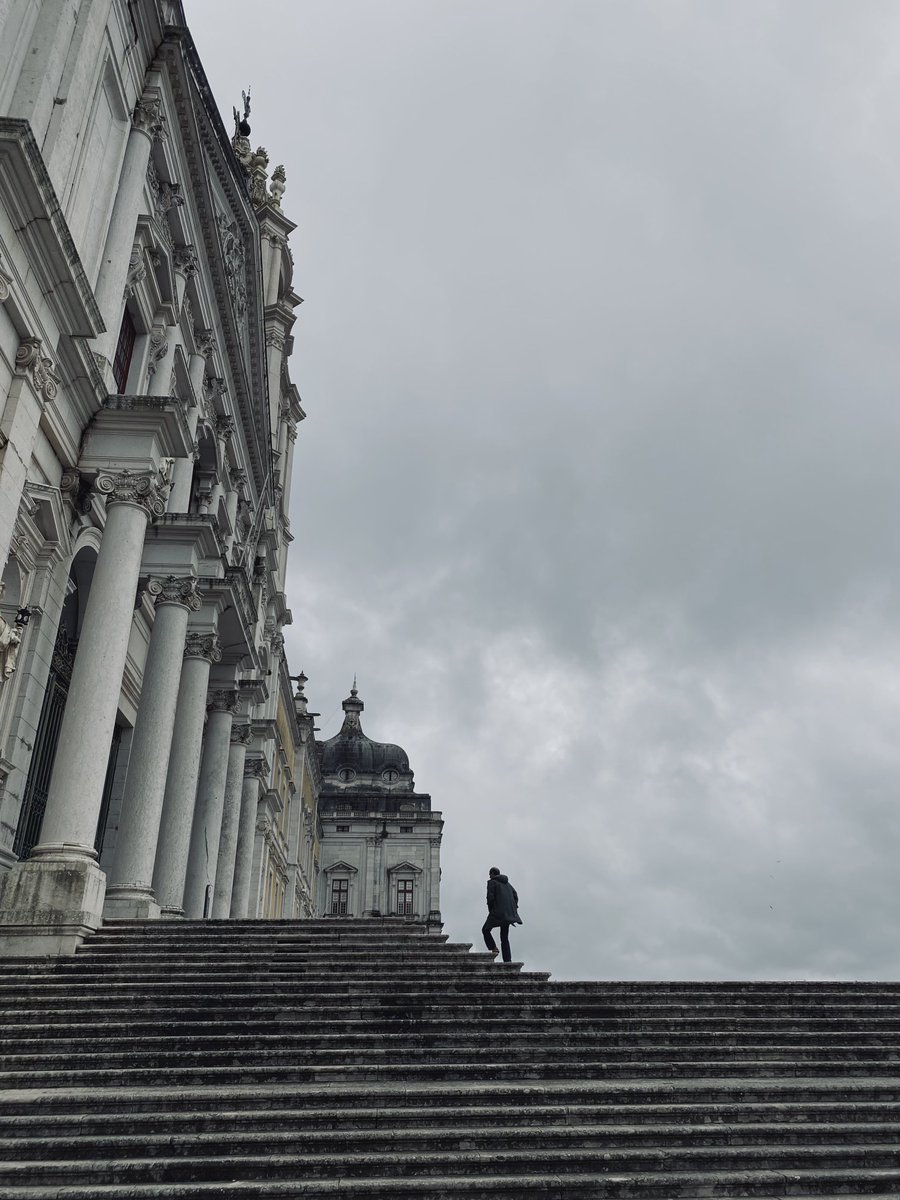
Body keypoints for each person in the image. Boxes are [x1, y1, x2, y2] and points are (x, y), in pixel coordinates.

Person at [482, 866, 522, 963]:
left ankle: (493, 947)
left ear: (492, 874)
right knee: (504, 937)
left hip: (497, 912)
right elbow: (515, 896)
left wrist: (491, 910)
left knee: (485, 930)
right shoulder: (508, 884)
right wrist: (513, 908)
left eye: (489, 874)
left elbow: (490, 898)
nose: (489, 876)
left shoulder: (492, 882)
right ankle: (507, 960)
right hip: (508, 914)